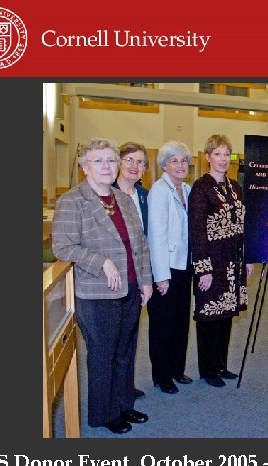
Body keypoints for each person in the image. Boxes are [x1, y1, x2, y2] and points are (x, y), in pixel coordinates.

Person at [52, 137, 153, 434]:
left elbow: (141, 245)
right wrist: (100, 262)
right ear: (85, 167)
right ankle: (103, 414)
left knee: (125, 351)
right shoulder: (72, 201)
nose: (107, 166)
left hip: (131, 289)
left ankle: (123, 404)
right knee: (102, 355)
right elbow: (63, 247)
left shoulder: (123, 198)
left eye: (111, 160)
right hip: (96, 292)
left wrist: (145, 281)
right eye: (99, 161)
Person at [189, 134, 253, 388]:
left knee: (226, 314)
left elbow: (244, 225)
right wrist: (202, 269)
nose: (223, 159)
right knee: (210, 316)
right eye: (217, 154)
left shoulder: (235, 187)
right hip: (211, 264)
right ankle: (207, 368)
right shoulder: (200, 188)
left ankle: (221, 364)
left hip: (233, 262)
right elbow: (197, 230)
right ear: (207, 158)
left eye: (227, 154)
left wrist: (247, 257)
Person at [146, 141, 194, 394]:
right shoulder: (159, 190)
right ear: (164, 165)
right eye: (174, 161)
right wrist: (161, 276)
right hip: (166, 268)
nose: (180, 165)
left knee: (180, 321)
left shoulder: (187, 189)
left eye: (184, 160)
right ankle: (161, 375)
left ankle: (177, 369)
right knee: (162, 323)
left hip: (184, 265)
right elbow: (156, 235)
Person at [113, 141, 149, 400]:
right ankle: (115, 394)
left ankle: (126, 388)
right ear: (118, 162)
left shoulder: (144, 196)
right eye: (130, 160)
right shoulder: (106, 194)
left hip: (137, 275)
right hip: (112, 278)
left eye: (140, 162)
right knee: (113, 343)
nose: (135, 166)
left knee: (130, 339)